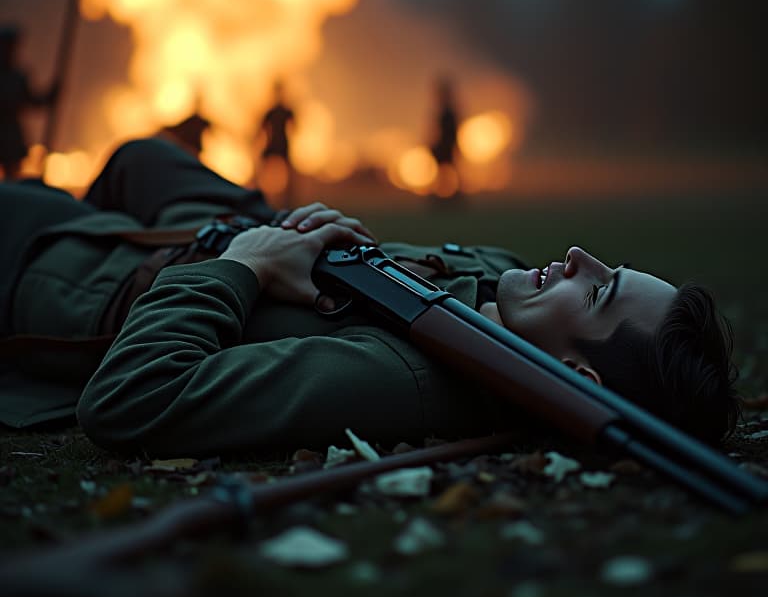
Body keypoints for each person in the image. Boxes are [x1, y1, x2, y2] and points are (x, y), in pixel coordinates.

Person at [0, 137, 738, 459]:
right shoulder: (511, 295)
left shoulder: (403, 382)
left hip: (91, 282)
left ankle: (76, 223)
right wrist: (318, 233)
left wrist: (244, 266)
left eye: (599, 289)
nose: (579, 256)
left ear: (579, 380)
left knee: (25, 210)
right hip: (233, 225)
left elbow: (131, 399)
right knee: (142, 156)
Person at [0, 24, 59, 181]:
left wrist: (50, 95)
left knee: (11, 175)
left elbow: (33, 102)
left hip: (11, 135)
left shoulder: (18, 77)